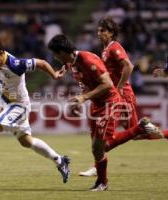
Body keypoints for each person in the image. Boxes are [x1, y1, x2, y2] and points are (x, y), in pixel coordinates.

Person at [47, 34, 161, 191]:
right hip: (97, 104)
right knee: (96, 148)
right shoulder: (71, 63)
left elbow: (107, 84)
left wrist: (84, 97)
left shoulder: (88, 60)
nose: (55, 57)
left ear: (63, 52)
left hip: (110, 102)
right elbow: (86, 85)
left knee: (103, 145)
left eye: (55, 54)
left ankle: (139, 128)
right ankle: (102, 183)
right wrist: (82, 100)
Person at [0, 37, 70, 183]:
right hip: (8, 106)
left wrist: (55, 75)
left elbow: (41, 63)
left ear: (0, 53)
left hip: (19, 106)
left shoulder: (15, 64)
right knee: (26, 141)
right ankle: (60, 160)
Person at [79, 17, 168, 177]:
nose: (99, 33)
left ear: (112, 33)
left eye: (103, 31)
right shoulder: (105, 49)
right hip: (114, 96)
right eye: (98, 30)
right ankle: (97, 165)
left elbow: (129, 66)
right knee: (128, 133)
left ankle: (98, 164)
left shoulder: (114, 47)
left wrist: (119, 87)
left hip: (122, 95)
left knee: (132, 133)